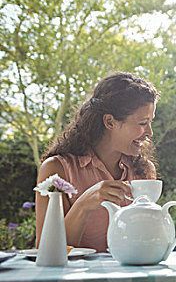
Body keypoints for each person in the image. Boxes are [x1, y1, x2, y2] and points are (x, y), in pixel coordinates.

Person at [36, 72, 159, 253]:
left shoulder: (144, 171)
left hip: (132, 278)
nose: (150, 132)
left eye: (150, 122)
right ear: (109, 121)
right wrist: (84, 204)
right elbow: (45, 251)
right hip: (76, 280)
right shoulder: (57, 170)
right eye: (142, 123)